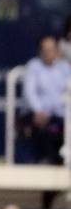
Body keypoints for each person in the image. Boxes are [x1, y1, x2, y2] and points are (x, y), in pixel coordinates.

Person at [22, 35, 70, 164]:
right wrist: (38, 110)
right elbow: (29, 92)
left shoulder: (64, 67)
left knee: (63, 126)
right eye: (46, 50)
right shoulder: (33, 66)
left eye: (52, 49)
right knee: (47, 127)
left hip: (61, 115)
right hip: (39, 114)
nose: (49, 53)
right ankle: (46, 162)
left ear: (57, 51)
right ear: (40, 51)